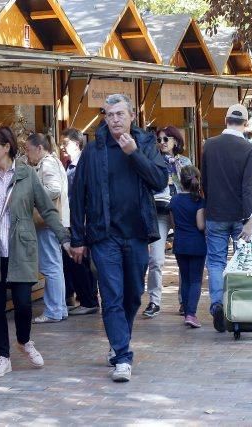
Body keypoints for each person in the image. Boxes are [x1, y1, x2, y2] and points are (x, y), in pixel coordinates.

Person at [69, 94, 168, 382]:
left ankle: (118, 339)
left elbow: (160, 181)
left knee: (133, 294)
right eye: (109, 115)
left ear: (132, 116)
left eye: (120, 114)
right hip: (104, 234)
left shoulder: (146, 144)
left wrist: (134, 153)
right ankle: (122, 356)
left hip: (137, 233)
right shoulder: (93, 149)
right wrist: (78, 237)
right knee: (111, 295)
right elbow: (79, 197)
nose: (114, 119)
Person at [0, 126, 72, 378]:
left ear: (6, 147)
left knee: (23, 304)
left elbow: (47, 209)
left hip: (21, 248)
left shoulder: (26, 174)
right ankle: (3, 357)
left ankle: (24, 341)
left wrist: (64, 238)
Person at [201, 104, 252, 332]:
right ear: (245, 123)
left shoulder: (210, 145)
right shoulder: (249, 149)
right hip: (239, 214)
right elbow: (249, 187)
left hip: (215, 212)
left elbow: (204, 181)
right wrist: (249, 218)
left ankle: (217, 305)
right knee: (244, 262)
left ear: (226, 120)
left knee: (215, 262)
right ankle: (241, 307)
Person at [22, 133, 70, 324]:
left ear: (39, 148)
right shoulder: (53, 162)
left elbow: (54, 189)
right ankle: (60, 308)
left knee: (51, 266)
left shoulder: (48, 163)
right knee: (55, 266)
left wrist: (33, 195)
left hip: (48, 222)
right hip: (54, 221)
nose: (27, 153)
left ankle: (54, 310)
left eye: (28, 149)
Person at [144, 125, 192, 318]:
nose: (162, 143)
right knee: (156, 259)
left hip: (181, 212)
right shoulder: (153, 161)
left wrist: (179, 172)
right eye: (160, 139)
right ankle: (154, 301)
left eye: (166, 139)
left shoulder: (184, 161)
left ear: (176, 142)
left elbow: (192, 185)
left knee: (184, 258)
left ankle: (185, 300)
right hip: (159, 212)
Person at [60, 128, 98, 315]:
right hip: (73, 218)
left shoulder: (83, 163)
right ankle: (87, 297)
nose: (62, 147)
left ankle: (88, 300)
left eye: (65, 143)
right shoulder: (70, 165)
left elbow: (82, 195)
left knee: (80, 260)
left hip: (81, 219)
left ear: (76, 143)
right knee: (78, 260)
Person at [170, 166, 206, 328]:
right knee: (196, 280)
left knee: (185, 279)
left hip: (180, 243)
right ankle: (191, 313)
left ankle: (186, 312)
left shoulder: (174, 200)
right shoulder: (199, 201)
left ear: (181, 181)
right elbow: (200, 225)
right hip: (197, 244)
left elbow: (173, 224)